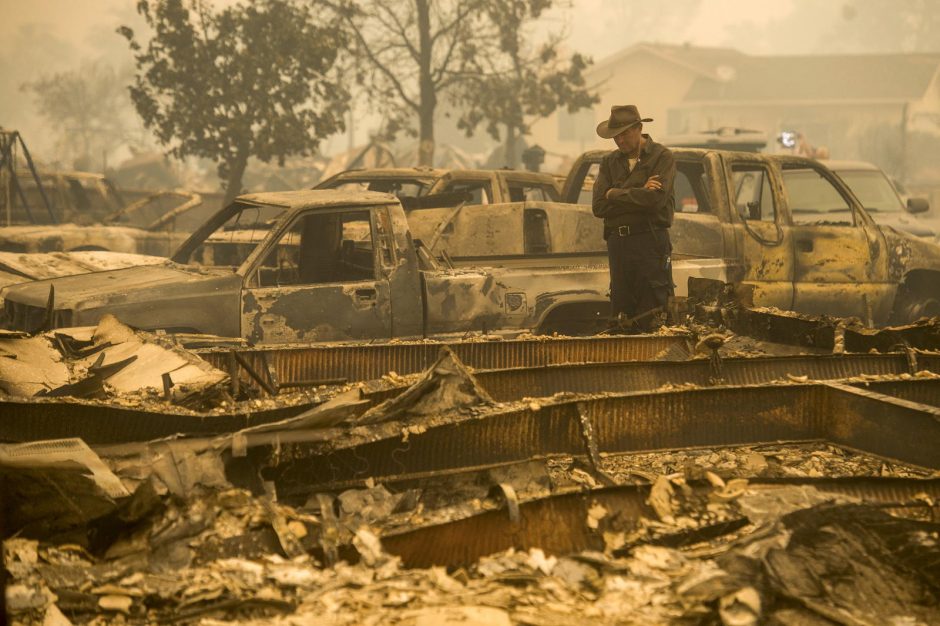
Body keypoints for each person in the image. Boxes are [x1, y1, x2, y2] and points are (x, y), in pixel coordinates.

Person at [592, 105, 676, 333]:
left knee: (653, 310)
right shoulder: (610, 162)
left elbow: (655, 201)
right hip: (618, 245)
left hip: (649, 243)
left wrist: (614, 193)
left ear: (639, 128)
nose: (619, 140)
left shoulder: (661, 157)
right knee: (621, 312)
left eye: (625, 133)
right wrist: (638, 189)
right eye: (615, 136)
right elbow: (599, 206)